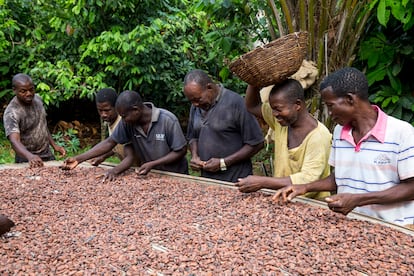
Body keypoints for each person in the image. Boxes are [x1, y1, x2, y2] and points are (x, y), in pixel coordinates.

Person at [274, 67, 414, 226]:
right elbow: (339, 177)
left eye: (331, 105)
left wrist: (358, 200)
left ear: (350, 99)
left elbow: (411, 189)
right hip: (351, 225)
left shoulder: (402, 133)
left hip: (395, 228)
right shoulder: (340, 131)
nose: (330, 113)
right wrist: (304, 187)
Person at [236, 79, 331, 200]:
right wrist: (253, 80)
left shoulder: (319, 136)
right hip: (283, 199)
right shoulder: (282, 122)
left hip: (311, 205)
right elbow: (252, 106)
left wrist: (262, 182)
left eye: (278, 109)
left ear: (297, 104)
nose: (274, 114)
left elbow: (307, 180)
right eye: (272, 109)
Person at [61, 90, 188, 177]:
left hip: (176, 174)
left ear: (136, 110)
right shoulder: (128, 123)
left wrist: (153, 163)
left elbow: (181, 150)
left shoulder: (167, 120)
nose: (122, 120)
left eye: (124, 116)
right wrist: (78, 159)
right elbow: (110, 142)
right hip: (151, 174)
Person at [183, 69, 264, 182]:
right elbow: (193, 137)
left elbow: (257, 143)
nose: (195, 104)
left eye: (198, 99)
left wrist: (223, 162)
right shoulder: (196, 106)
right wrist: (195, 156)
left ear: (209, 87)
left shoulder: (236, 103)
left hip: (236, 179)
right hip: (208, 179)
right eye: (191, 101)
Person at [3, 73, 66, 168]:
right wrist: (30, 156)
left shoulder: (38, 99)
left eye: (31, 89)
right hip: (26, 158)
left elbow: (42, 125)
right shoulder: (12, 112)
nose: (29, 93)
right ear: (14, 90)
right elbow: (14, 141)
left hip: (46, 153)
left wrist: (54, 145)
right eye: (23, 91)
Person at [88, 88, 136, 167]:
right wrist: (102, 157)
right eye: (100, 110)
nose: (103, 114)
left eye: (107, 110)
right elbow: (116, 144)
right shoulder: (110, 121)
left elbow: (131, 153)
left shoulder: (124, 123)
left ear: (116, 107)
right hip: (129, 167)